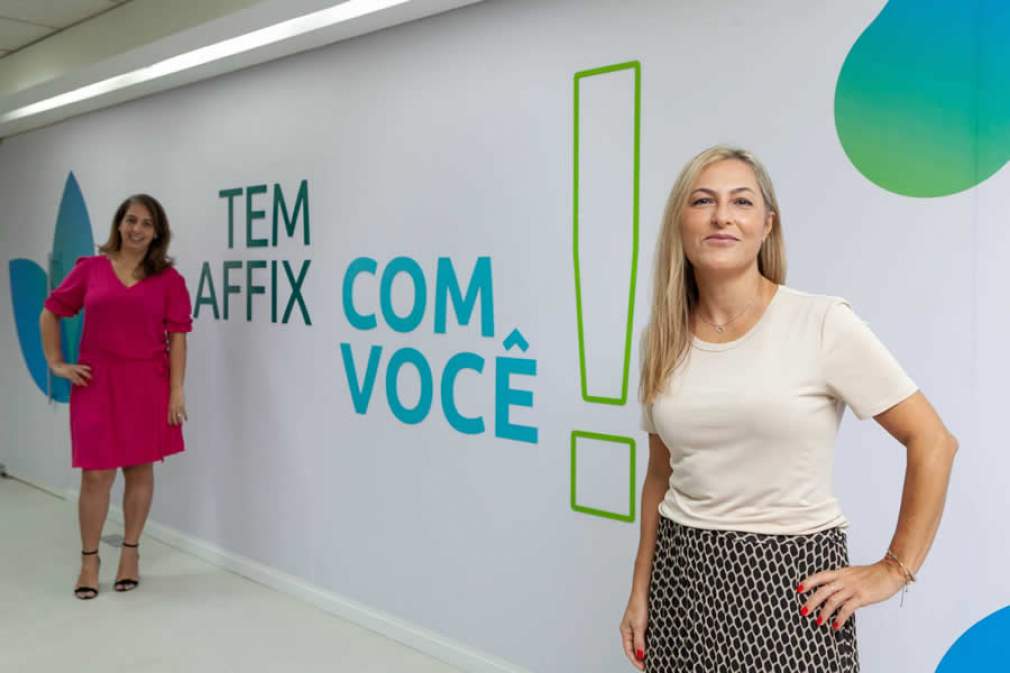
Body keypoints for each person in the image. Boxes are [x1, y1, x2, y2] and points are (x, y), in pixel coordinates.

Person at [619, 146, 958, 672]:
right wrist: (640, 589)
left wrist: (895, 569)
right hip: (680, 582)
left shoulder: (822, 322)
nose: (722, 216)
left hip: (790, 584)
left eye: (741, 202)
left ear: (767, 225)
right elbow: (660, 474)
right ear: (679, 224)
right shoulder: (660, 338)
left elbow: (933, 441)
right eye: (703, 201)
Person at [39, 194, 192, 599]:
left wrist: (176, 390)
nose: (137, 229)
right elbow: (51, 310)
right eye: (131, 220)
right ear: (119, 224)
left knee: (139, 470)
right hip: (96, 385)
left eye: (146, 223)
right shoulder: (90, 269)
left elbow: (178, 338)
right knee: (95, 475)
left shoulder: (170, 280)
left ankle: (130, 553)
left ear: (157, 233)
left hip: (147, 386)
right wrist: (56, 363)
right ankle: (89, 560)